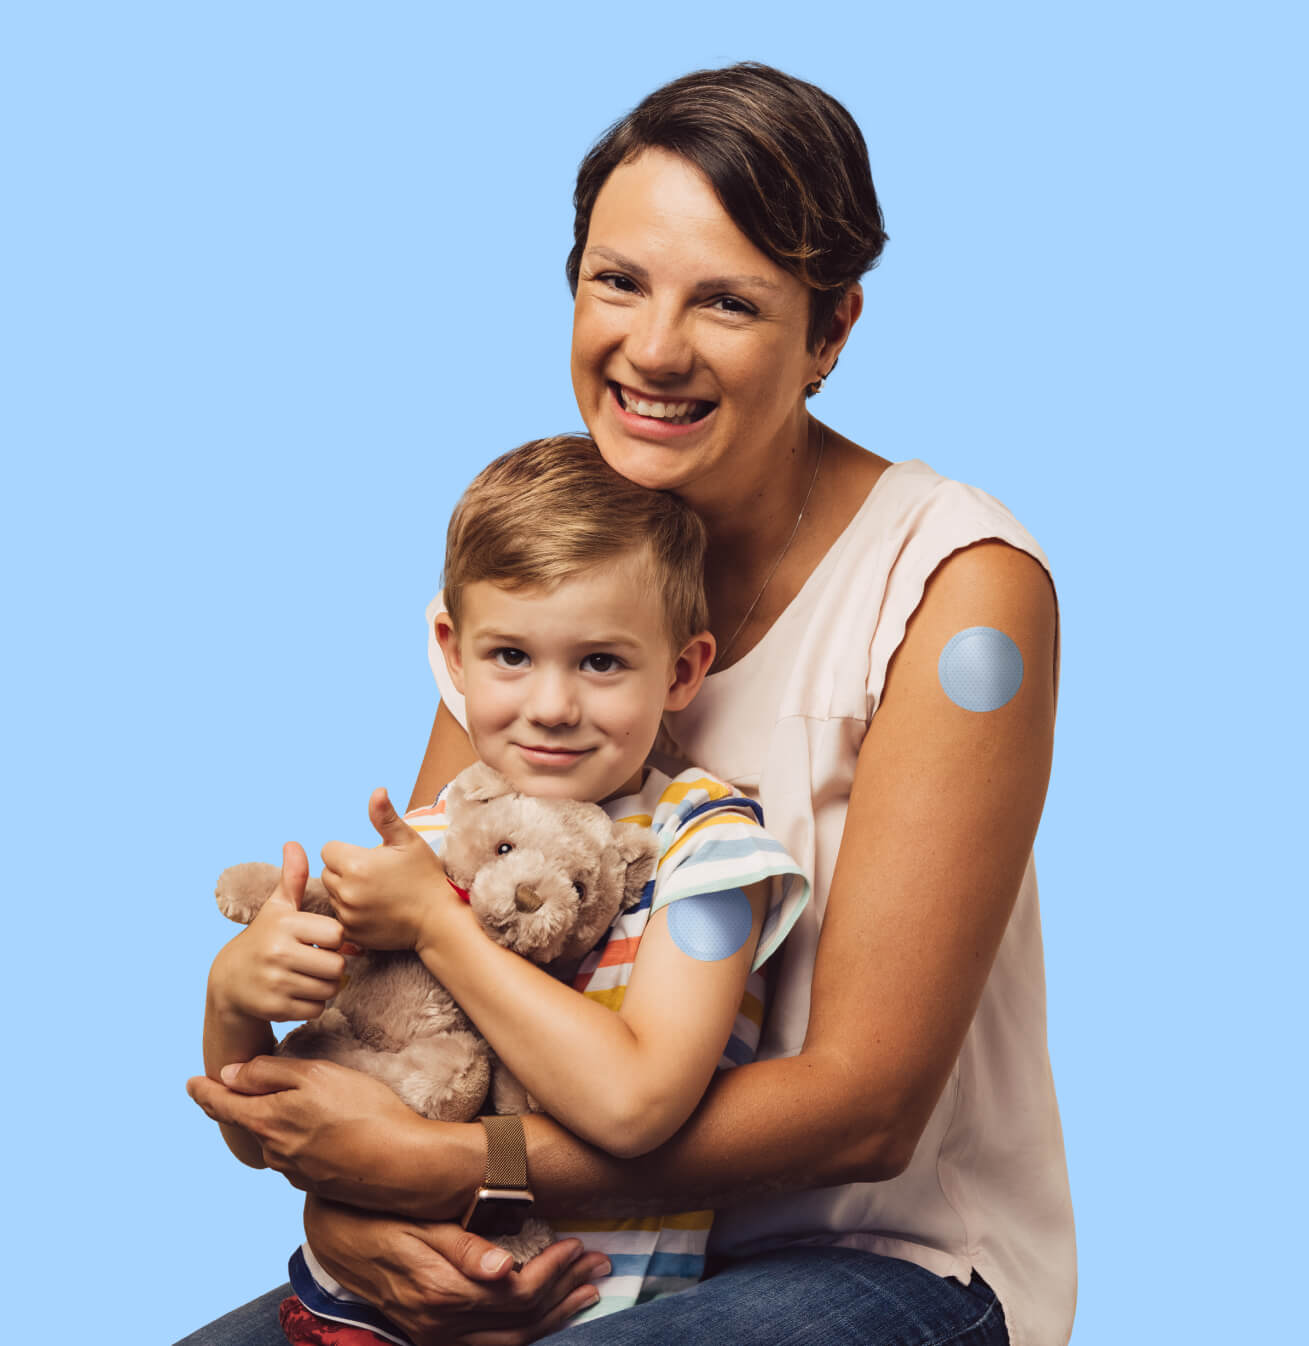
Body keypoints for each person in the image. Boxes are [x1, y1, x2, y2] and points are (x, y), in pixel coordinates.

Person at [186, 61, 1074, 1346]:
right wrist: (353, 1221)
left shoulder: (957, 594)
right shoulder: (556, 565)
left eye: (728, 301)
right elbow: (430, 973)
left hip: (885, 1256)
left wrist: (442, 1170)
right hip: (564, 1236)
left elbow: (866, 1107)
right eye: (618, 281)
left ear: (828, 334)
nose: (652, 349)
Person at [199, 435, 810, 1342]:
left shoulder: (709, 851)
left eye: (600, 662)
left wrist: (438, 930)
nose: (552, 705)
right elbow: (267, 1137)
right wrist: (234, 1001)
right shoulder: (433, 841)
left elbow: (636, 1105)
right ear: (452, 652)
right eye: (511, 656)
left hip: (596, 1315)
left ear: (681, 670)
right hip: (372, 1311)